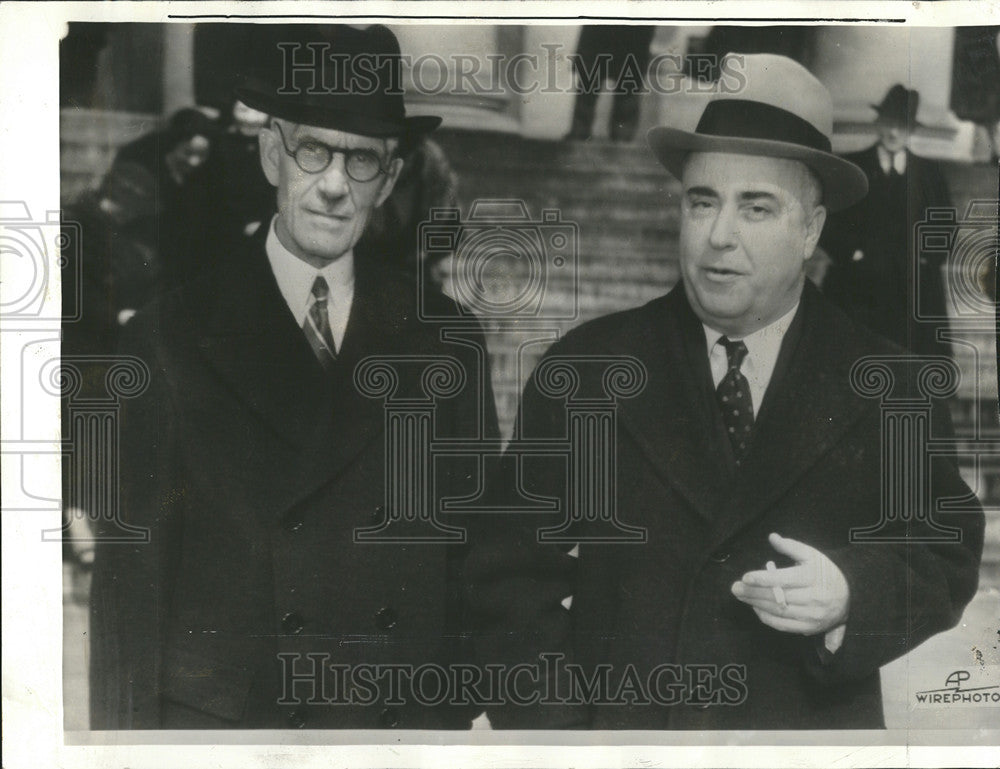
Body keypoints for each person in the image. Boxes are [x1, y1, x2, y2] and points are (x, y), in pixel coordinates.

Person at [471, 54, 984, 729]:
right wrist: (570, 735)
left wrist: (852, 592)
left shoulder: (891, 383)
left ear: (811, 230)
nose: (718, 235)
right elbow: (502, 577)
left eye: (756, 207)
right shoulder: (586, 371)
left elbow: (945, 547)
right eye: (702, 200)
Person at [89, 24, 497, 730]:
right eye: (315, 150)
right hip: (225, 730)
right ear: (272, 153)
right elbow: (129, 594)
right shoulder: (165, 336)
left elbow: (472, 563)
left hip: (384, 730)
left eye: (363, 160)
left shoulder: (448, 341)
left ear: (393, 177)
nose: (336, 186)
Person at [820, 84, 955, 358]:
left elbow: (946, 222)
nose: (894, 132)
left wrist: (927, 258)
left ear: (913, 130)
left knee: (912, 363)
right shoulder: (853, 167)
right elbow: (827, 217)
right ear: (878, 122)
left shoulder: (929, 173)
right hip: (860, 282)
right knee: (854, 360)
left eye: (902, 126)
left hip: (913, 285)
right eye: (889, 123)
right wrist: (851, 254)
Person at [565, 25, 657, 142]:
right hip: (604, 27)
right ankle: (580, 137)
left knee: (627, 90)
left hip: (633, 32)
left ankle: (620, 142)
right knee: (589, 85)